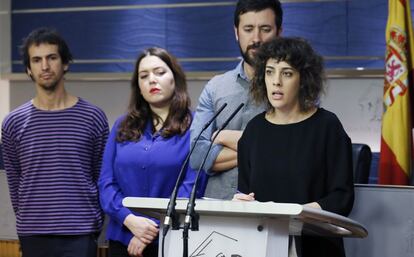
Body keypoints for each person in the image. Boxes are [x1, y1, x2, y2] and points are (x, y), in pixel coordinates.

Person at [235, 37, 354, 257]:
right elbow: (246, 192)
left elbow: (342, 196)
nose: (276, 81)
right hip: (264, 245)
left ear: (303, 79)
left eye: (287, 73)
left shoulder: (327, 126)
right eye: (270, 72)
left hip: (315, 246)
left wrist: (299, 215)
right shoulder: (254, 130)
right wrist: (240, 202)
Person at [1, 28, 109, 257]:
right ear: (29, 69)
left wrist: (94, 221)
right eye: (37, 60)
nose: (45, 66)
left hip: (81, 233)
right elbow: (15, 183)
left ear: (65, 63)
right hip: (33, 234)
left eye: (52, 57)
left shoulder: (93, 117)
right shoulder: (13, 123)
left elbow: (101, 176)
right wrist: (27, 222)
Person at [98, 47, 205, 257]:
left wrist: (150, 229)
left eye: (160, 72)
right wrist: (129, 219)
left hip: (172, 238)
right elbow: (106, 183)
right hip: (122, 235)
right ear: (138, 86)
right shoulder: (121, 126)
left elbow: (193, 187)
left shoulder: (196, 126)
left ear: (175, 78)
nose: (152, 80)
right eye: (144, 76)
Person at [190, 0, 283, 200]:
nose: (256, 38)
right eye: (248, 29)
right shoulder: (215, 87)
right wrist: (262, 152)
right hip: (218, 210)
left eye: (265, 29)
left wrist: (222, 136)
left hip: (271, 210)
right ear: (236, 32)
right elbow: (197, 155)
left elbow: (295, 151)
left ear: (279, 32)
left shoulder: (294, 90)